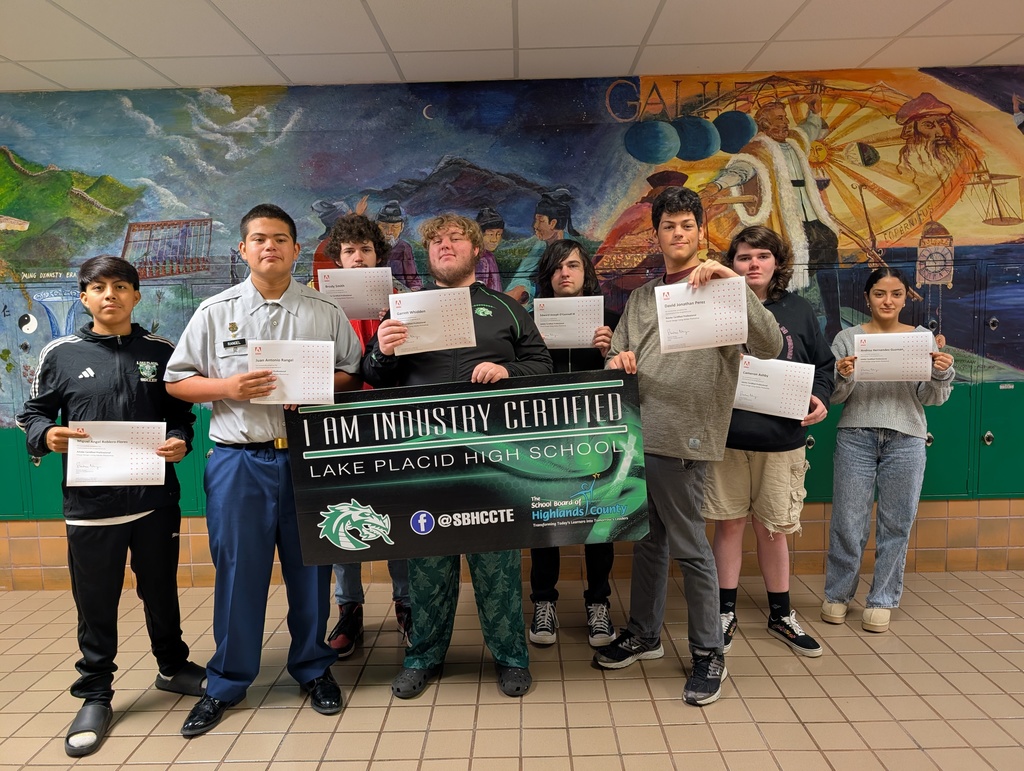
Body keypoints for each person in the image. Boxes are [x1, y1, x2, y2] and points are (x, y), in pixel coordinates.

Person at [165, 204, 363, 737]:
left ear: (297, 249)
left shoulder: (324, 311)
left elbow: (351, 371)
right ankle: (226, 682)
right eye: (258, 239)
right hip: (238, 460)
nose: (269, 246)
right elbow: (177, 381)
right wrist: (227, 388)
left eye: (280, 238)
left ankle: (312, 667)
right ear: (243, 250)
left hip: (306, 459)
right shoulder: (215, 312)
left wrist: (318, 390)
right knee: (237, 574)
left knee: (312, 569)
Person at [596, 187, 783, 706]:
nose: (677, 234)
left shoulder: (724, 287)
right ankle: (644, 634)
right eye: (667, 226)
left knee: (690, 547)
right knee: (649, 542)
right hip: (640, 435)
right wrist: (618, 360)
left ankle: (708, 653)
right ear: (656, 236)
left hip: (686, 435)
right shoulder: (640, 296)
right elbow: (617, 350)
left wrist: (735, 282)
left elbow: (769, 346)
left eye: (686, 225)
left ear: (702, 232)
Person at [16, 255, 205, 758]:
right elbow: (32, 413)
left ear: (136, 295)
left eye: (120, 286)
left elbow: (179, 415)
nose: (110, 296)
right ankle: (95, 692)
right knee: (95, 602)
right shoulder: (61, 352)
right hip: (89, 503)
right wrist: (47, 434)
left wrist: (180, 440)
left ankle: (172, 666)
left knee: (161, 590)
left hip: (153, 500)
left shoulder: (160, 351)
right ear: (84, 297)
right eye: (98, 288)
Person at [363, 213, 552, 699]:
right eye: (436, 242)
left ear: (475, 252)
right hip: (422, 460)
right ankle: (422, 656)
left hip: (492, 460)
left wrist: (507, 369)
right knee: (426, 564)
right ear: (428, 255)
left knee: (498, 565)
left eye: (455, 239)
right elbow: (375, 375)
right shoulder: (404, 310)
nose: (445, 246)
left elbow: (542, 365)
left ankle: (511, 657)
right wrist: (381, 350)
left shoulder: (505, 309)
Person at [701, 226, 835, 659]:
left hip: (782, 440)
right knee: (729, 525)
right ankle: (724, 612)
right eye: (743, 257)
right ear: (731, 264)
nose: (753, 264)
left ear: (777, 263)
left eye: (762, 256)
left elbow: (824, 366)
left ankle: (781, 613)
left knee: (774, 528)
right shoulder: (716, 307)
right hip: (726, 439)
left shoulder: (797, 310)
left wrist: (822, 398)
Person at [822, 267, 954, 633]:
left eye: (896, 293)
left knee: (897, 522)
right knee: (848, 521)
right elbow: (832, 397)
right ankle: (838, 594)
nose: (888, 300)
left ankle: (881, 600)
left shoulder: (921, 338)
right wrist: (844, 375)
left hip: (907, 438)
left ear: (905, 297)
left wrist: (941, 372)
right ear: (867, 298)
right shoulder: (847, 338)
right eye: (880, 293)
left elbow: (931, 398)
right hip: (856, 435)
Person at [313, 212, 411, 657]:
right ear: (337, 258)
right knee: (341, 515)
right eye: (349, 251)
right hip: (338, 423)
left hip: (393, 421)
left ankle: (406, 603)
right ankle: (349, 607)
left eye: (365, 250)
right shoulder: (317, 302)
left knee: (399, 514)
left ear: (378, 256)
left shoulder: (403, 298)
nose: (357, 258)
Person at [527, 240, 619, 649]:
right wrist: (532, 351)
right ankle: (543, 601)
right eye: (558, 267)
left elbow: (629, 378)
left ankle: (598, 602)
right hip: (545, 440)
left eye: (574, 265)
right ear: (547, 275)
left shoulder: (610, 320)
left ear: (586, 273)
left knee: (600, 522)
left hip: (596, 438)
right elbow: (516, 381)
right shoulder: (528, 323)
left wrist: (610, 351)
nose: (566, 273)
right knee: (545, 521)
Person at [700, 97, 843, 341]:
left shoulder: (795, 141)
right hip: (788, 225)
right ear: (765, 124)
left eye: (785, 118)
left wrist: (814, 112)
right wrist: (714, 188)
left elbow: (809, 129)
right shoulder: (757, 150)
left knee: (829, 260)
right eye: (779, 118)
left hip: (814, 219)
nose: (785, 122)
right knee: (796, 273)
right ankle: (796, 330)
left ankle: (834, 323)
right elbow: (739, 172)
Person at [505, 188, 580, 308]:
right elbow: (523, 274)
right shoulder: (541, 245)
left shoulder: (573, 249)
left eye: (540, 221)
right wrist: (522, 290)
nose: (535, 226)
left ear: (553, 223)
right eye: (536, 220)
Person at [377, 200, 422, 290]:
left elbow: (412, 278)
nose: (389, 232)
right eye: (384, 227)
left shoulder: (404, 248)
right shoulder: (372, 247)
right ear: (377, 226)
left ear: (401, 227)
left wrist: (414, 290)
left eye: (395, 227)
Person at [475, 205, 505, 291]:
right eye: (490, 234)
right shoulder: (481, 259)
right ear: (479, 234)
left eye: (498, 234)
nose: (494, 240)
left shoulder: (489, 256)